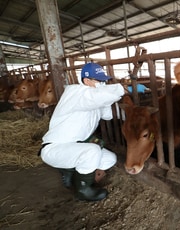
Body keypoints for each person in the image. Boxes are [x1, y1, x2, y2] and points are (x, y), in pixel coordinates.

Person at [39, 62, 125, 202]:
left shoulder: (93, 99)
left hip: (74, 147)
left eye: (104, 81)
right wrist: (124, 89)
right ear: (86, 81)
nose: (102, 84)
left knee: (110, 159)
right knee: (92, 151)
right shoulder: (76, 93)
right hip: (55, 148)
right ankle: (83, 191)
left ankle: (70, 174)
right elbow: (99, 96)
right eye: (99, 81)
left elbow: (108, 114)